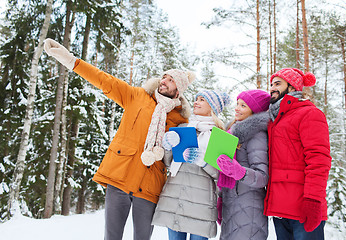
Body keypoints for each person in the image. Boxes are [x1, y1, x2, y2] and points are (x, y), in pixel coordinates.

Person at [43, 38, 195, 240]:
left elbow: (183, 153)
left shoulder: (180, 119)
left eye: (170, 80)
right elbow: (104, 80)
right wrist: (70, 60)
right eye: (163, 77)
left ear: (179, 89)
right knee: (112, 236)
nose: (163, 81)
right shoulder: (137, 96)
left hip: (150, 185)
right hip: (120, 176)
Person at [152, 90, 230, 240]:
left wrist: (203, 162)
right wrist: (168, 146)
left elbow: (222, 175)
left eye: (202, 100)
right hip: (176, 198)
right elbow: (169, 163)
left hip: (200, 204)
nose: (196, 102)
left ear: (212, 107)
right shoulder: (182, 128)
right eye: (196, 99)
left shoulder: (220, 135)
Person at [263, 68, 332, 240]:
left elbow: (319, 159)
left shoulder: (309, 113)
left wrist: (314, 200)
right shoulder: (274, 119)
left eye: (278, 84)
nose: (272, 88)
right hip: (280, 209)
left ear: (293, 87)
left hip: (303, 208)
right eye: (271, 84)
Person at [215, 89, 271, 240]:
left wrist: (239, 171)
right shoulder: (231, 132)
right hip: (231, 203)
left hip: (249, 208)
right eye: (237, 104)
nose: (237, 108)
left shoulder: (256, 135)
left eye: (243, 105)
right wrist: (221, 198)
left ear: (255, 110)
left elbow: (262, 177)